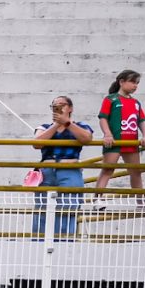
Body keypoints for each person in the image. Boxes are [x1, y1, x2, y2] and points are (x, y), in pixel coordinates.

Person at [30, 95, 93, 241]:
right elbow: (37, 143)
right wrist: (56, 124)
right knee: (42, 208)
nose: (58, 107)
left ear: (70, 108)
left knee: (69, 206)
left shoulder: (81, 126)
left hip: (69, 170)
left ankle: (65, 240)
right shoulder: (44, 127)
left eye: (62, 105)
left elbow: (87, 138)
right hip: (47, 171)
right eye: (54, 106)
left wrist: (67, 123)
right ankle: (39, 241)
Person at [95, 68, 145, 196]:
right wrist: (108, 134)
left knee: (136, 172)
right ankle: (97, 200)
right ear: (121, 82)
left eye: (137, 83)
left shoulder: (136, 103)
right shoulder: (111, 99)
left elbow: (142, 120)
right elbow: (103, 118)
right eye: (132, 82)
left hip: (131, 142)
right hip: (114, 142)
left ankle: (140, 201)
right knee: (107, 170)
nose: (135, 86)